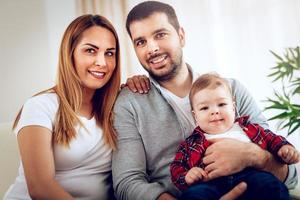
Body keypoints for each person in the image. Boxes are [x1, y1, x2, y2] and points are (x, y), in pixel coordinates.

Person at [112, 1, 298, 200]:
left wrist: (253, 156)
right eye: (141, 42)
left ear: (181, 36)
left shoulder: (232, 90)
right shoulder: (129, 103)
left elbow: (288, 175)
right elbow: (127, 183)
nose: (152, 48)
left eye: (160, 34)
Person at [4, 14, 120, 200]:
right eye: (90, 51)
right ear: (70, 54)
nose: (102, 62)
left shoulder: (115, 108)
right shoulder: (40, 106)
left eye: (109, 53)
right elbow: (40, 188)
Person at [170, 73, 299, 200]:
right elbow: (177, 167)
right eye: (204, 108)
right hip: (209, 184)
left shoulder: (250, 129)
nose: (215, 111)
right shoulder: (191, 143)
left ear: (233, 107)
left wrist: (284, 148)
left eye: (221, 104)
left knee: (271, 186)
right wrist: (187, 176)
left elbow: (272, 139)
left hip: (253, 176)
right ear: (195, 116)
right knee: (193, 196)